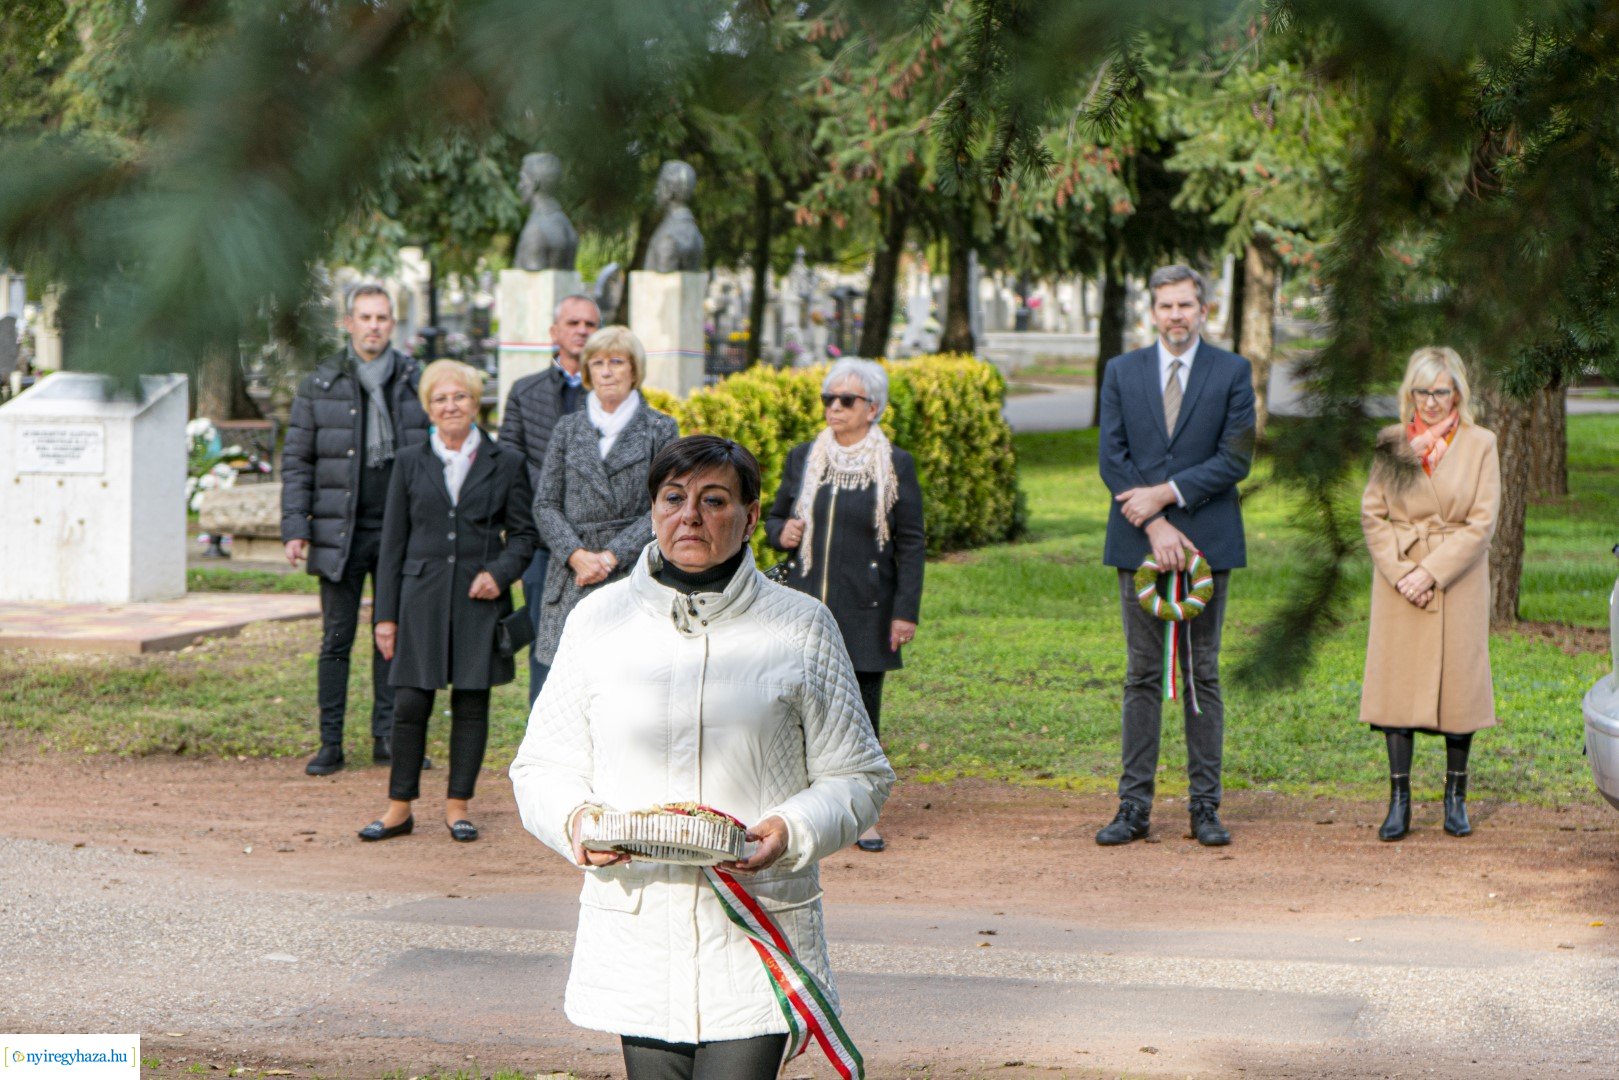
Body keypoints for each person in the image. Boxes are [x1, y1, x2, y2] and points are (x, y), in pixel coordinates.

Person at [510, 435, 894, 1080]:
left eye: (714, 500)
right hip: (639, 924)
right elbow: (542, 766)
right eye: (673, 498)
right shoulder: (597, 622)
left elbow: (857, 774)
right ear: (654, 510)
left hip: (753, 925)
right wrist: (577, 822)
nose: (690, 515)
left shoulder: (801, 625)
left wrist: (792, 829)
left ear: (749, 518)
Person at [1095, 264, 1255, 848]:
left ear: (1203, 310)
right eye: (1166, 306)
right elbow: (1112, 457)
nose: (1176, 316)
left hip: (1207, 543)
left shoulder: (1232, 371)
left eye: (1186, 305)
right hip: (1138, 541)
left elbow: (1236, 458)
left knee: (1201, 673)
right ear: (1152, 312)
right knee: (1142, 673)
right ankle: (1132, 807)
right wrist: (1156, 522)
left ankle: (1204, 808)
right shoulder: (1122, 371)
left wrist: (1167, 495)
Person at [360, 360, 536, 843]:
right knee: (409, 703)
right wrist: (385, 617)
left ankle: (458, 805)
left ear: (475, 402)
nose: (450, 405)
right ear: (428, 408)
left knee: (471, 704)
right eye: (440, 399)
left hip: (479, 602)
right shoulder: (409, 461)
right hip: (419, 599)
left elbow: (523, 535)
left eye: (459, 396)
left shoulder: (508, 462)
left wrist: (499, 575)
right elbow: (392, 544)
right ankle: (399, 806)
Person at [764, 357, 925, 854]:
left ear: (872, 407)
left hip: (867, 608)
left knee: (861, 719)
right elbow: (772, 516)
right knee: (793, 709)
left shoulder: (893, 463)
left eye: (846, 400)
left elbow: (911, 541)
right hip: (804, 604)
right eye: (827, 399)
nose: (834, 408)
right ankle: (797, 811)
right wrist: (780, 532)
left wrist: (905, 611)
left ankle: (862, 816)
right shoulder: (804, 458)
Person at [281, 284, 429, 776]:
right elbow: (298, 461)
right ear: (348, 323)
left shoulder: (414, 381)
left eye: (382, 318)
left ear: (393, 324)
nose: (373, 326)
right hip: (338, 533)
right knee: (336, 638)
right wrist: (294, 527)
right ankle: (331, 742)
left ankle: (388, 738)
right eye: (364, 317)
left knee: (393, 639)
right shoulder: (320, 382)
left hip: (398, 535)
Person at [1360, 346, 1500, 841]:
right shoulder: (1391, 442)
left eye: (1442, 391)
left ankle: (1454, 796)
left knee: (1458, 688)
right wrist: (1401, 573)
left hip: (1457, 577)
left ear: (1458, 391)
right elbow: (1372, 513)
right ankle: (1399, 799)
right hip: (1399, 578)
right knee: (1397, 687)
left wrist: (1433, 572)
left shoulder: (1482, 443)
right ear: (1410, 392)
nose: (1433, 401)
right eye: (1423, 391)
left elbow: (1482, 524)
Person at [531, 325, 678, 673]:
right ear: (587, 372)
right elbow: (545, 504)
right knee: (566, 686)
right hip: (573, 574)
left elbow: (666, 503)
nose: (607, 371)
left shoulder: (660, 428)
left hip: (632, 570)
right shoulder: (567, 429)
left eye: (616, 361)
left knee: (627, 681)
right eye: (597, 363)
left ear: (634, 370)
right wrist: (577, 555)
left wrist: (612, 556)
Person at [498, 294, 601, 705]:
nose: (581, 331)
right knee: (546, 643)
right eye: (573, 323)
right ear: (554, 333)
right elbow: (511, 464)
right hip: (543, 544)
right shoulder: (525, 393)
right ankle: (542, 751)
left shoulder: (616, 396)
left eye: (590, 324)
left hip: (600, 546)